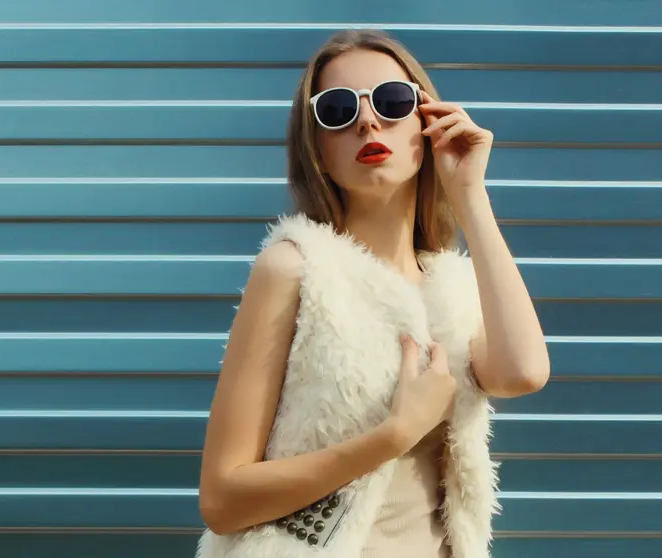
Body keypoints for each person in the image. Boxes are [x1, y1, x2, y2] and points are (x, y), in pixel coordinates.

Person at [195, 29, 550, 558]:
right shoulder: (295, 267)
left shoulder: (450, 286)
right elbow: (222, 499)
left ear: (426, 119)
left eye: (392, 101)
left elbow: (523, 373)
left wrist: (470, 194)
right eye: (337, 110)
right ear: (316, 148)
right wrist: (396, 432)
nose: (368, 121)